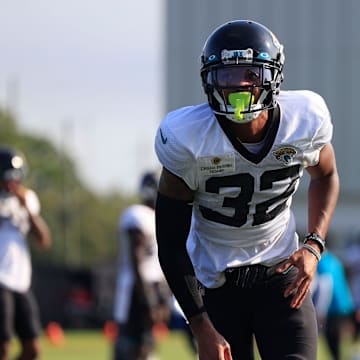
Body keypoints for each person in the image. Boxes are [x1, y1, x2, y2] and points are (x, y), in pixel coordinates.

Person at [154, 19, 340, 360]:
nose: (238, 85)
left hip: (281, 275)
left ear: (273, 77)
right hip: (216, 285)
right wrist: (201, 327)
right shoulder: (187, 138)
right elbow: (169, 240)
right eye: (226, 75)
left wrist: (314, 244)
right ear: (209, 79)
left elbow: (326, 176)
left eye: (250, 74)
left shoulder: (304, 120)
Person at [0, 146, 51, 360]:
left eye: (18, 176)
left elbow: (43, 240)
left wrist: (27, 210)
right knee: (2, 346)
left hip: (20, 281)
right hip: (0, 279)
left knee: (33, 348)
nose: (15, 182)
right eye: (10, 176)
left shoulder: (27, 199)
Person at [113, 171, 171, 360]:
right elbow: (137, 260)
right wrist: (149, 299)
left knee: (146, 342)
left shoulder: (157, 216)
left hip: (150, 286)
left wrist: (163, 294)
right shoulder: (138, 215)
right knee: (130, 344)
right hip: (136, 289)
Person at [312, 250, 354, 360]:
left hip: (332, 306)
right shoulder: (333, 259)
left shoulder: (320, 261)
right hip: (345, 304)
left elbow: (326, 285)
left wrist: (320, 310)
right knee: (343, 340)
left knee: (333, 341)